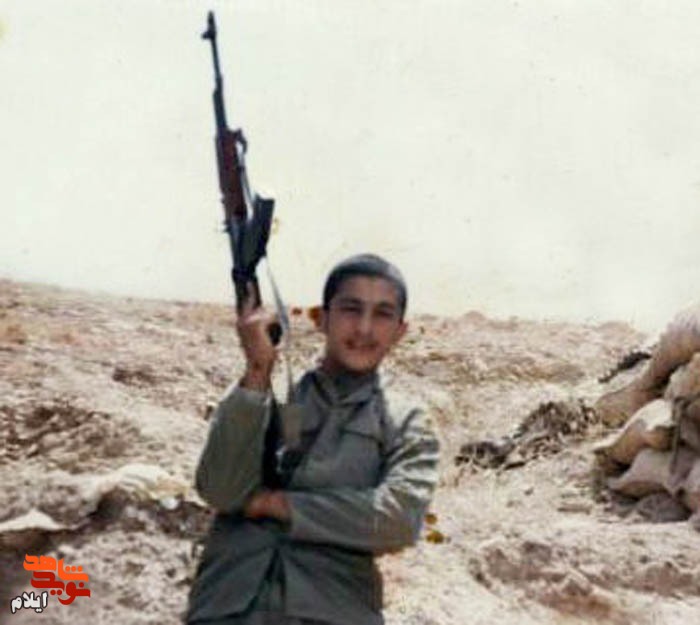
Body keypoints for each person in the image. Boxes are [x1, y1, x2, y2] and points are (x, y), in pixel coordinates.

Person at [186, 253, 440, 625]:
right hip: (229, 605)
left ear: (400, 332)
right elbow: (220, 490)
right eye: (351, 309)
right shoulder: (269, 392)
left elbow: (398, 520)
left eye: (382, 314)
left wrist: (276, 504)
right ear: (321, 318)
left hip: (331, 610)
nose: (364, 328)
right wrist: (257, 369)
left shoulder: (406, 421)